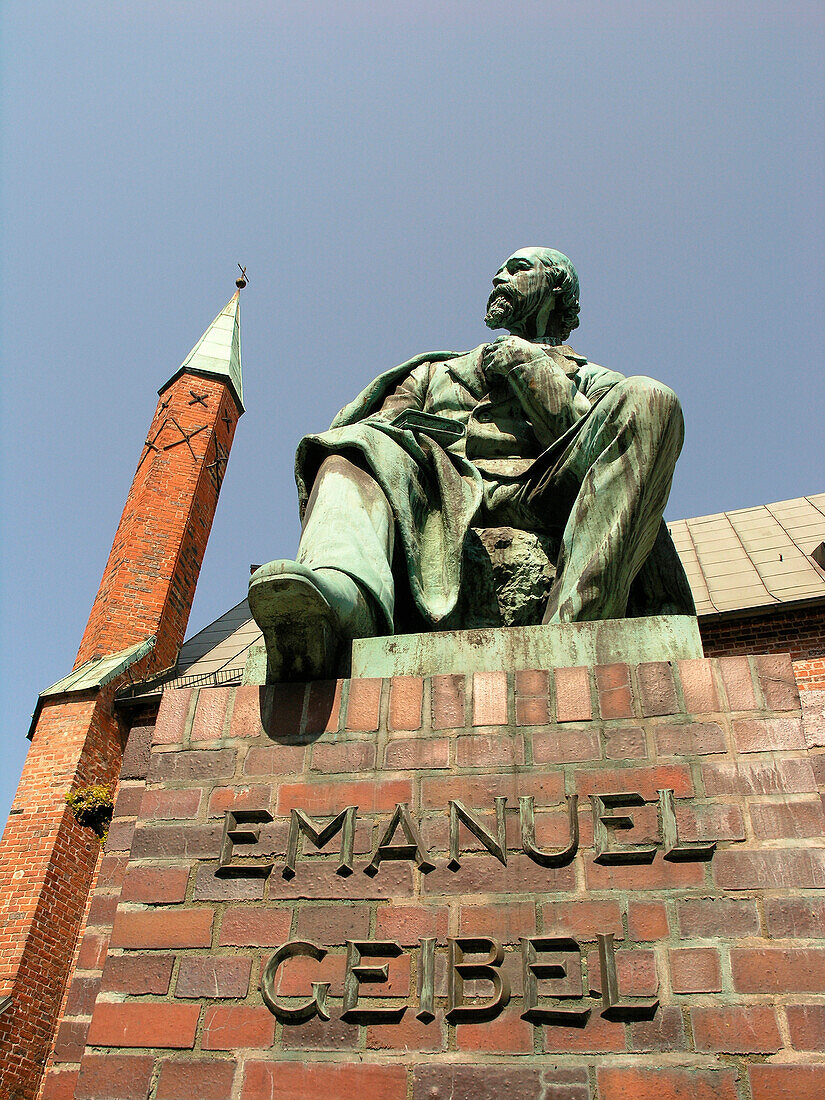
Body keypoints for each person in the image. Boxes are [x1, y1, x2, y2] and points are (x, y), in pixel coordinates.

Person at [249, 247, 693, 682]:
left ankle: (576, 627)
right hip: (440, 489)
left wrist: (533, 370)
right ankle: (344, 599)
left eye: (517, 270)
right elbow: (381, 425)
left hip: (546, 489)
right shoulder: (431, 371)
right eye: (497, 271)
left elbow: (608, 445)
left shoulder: (591, 377)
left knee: (652, 399)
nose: (499, 278)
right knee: (353, 443)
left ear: (556, 290)